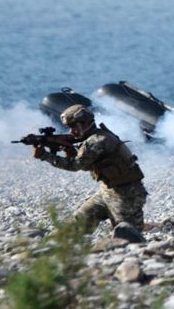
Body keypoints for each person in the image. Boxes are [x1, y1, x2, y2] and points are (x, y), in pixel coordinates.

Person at [33, 104, 146, 242]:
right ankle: (53, 245)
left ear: (86, 123)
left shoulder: (96, 141)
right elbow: (90, 165)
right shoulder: (97, 137)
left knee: (128, 237)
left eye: (74, 126)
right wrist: (70, 152)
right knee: (77, 224)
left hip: (126, 195)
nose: (72, 131)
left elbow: (75, 166)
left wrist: (45, 156)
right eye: (70, 127)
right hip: (108, 191)